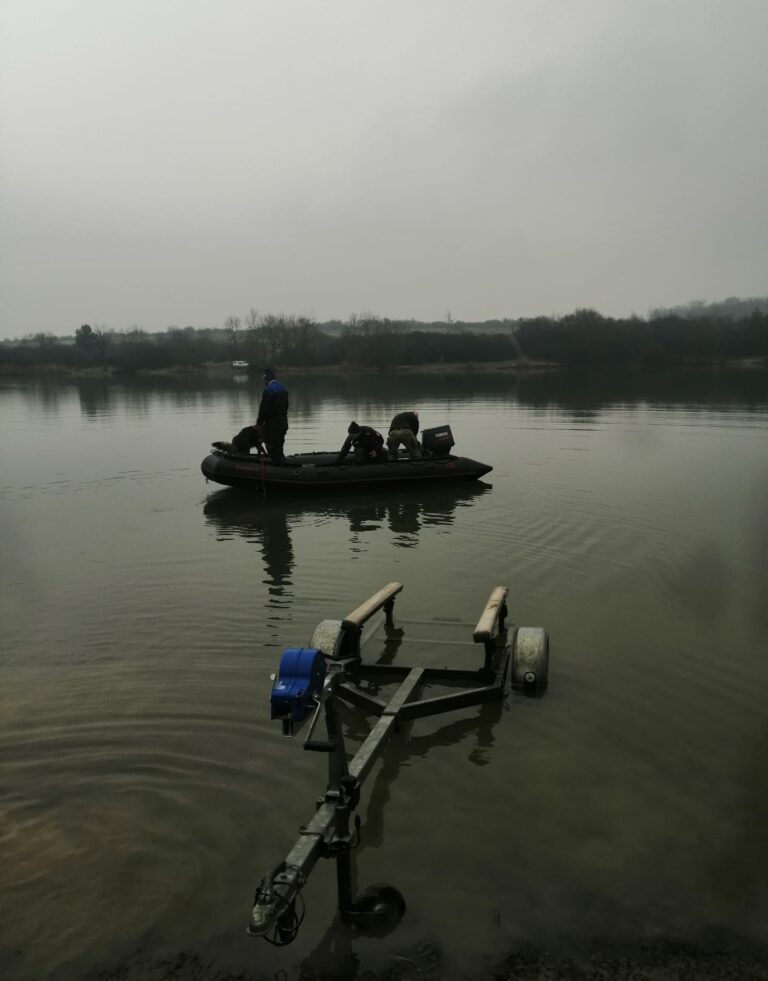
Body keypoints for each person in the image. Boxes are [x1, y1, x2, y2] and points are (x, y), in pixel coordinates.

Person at [257, 367, 289, 463]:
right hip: (283, 424)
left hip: (272, 426)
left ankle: (277, 469)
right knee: (279, 448)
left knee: (272, 449)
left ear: (267, 378)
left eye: (264, 379)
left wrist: (259, 423)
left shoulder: (268, 390)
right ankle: (284, 466)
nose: (264, 381)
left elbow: (264, 409)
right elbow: (286, 406)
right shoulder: (283, 389)